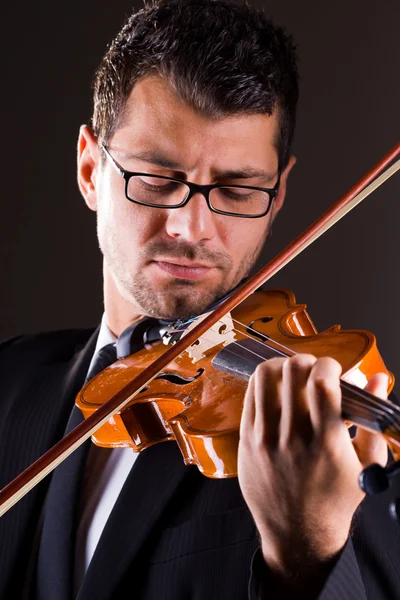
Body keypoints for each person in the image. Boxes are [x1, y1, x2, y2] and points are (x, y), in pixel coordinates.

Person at [0, 0, 399, 598]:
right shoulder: (8, 382)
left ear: (279, 190)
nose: (190, 227)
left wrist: (310, 551)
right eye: (157, 178)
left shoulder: (333, 443)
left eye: (237, 189)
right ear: (90, 169)